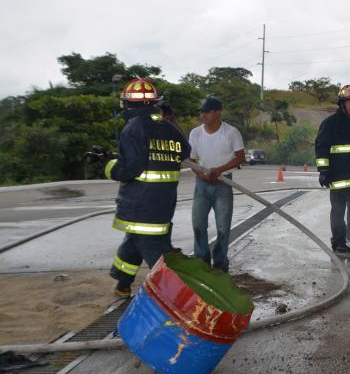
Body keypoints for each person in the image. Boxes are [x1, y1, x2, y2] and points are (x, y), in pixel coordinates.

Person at [90, 78, 190, 298]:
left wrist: (108, 166)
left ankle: (177, 297)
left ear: (127, 103)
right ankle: (122, 284)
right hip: (163, 202)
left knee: (154, 249)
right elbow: (183, 151)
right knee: (134, 241)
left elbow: (131, 169)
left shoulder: (133, 128)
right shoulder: (168, 127)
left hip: (140, 202)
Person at [188, 96, 245, 273]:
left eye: (207, 111)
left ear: (218, 112)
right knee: (198, 224)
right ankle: (201, 261)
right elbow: (190, 159)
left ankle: (220, 264)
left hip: (223, 184)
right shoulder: (195, 133)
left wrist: (219, 170)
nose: (203, 115)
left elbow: (240, 156)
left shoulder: (231, 132)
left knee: (223, 227)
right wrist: (201, 175)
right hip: (202, 185)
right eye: (201, 112)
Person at [315, 83, 350, 256]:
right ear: (342, 104)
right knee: (338, 210)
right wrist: (324, 171)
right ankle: (338, 242)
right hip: (337, 176)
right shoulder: (330, 123)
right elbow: (321, 148)